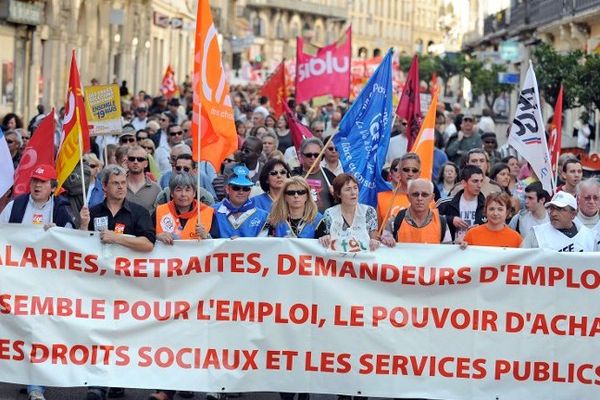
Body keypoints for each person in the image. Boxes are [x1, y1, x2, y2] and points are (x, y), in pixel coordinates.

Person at [316, 173, 380, 252]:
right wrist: (324, 238)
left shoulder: (369, 211)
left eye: (355, 188)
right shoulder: (329, 213)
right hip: (338, 261)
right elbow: (326, 240)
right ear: (338, 194)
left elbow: (375, 240)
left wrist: (374, 241)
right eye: (348, 189)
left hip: (363, 261)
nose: (353, 192)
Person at [153, 173, 220, 245]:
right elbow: (146, 238)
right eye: (178, 190)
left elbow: (219, 245)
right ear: (172, 193)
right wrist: (157, 237)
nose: (183, 194)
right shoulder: (159, 212)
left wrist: (206, 236)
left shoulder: (208, 213)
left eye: (187, 190)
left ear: (194, 193)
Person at [0, 164, 75, 228]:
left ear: (53, 188)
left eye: (43, 181)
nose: (37, 185)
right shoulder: (15, 205)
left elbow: (69, 238)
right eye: (35, 180)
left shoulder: (60, 209)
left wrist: (57, 232)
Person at [381, 178, 451, 245]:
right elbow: (383, 250)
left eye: (425, 195)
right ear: (408, 197)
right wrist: (385, 241)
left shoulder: (442, 223)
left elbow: (448, 253)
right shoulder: (394, 222)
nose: (420, 198)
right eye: (415, 194)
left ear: (432, 197)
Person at [521, 191, 597, 251]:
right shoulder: (536, 234)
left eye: (560, 209)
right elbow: (523, 261)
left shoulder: (589, 237)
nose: (553, 213)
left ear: (573, 214)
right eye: (552, 208)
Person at [212, 165, 269, 238]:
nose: (241, 192)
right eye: (236, 188)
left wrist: (241, 243)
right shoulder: (212, 212)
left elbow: (263, 244)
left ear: (250, 191)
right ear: (227, 189)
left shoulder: (263, 217)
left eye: (246, 188)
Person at [437, 165, 486, 242]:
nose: (479, 185)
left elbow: (496, 225)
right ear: (464, 183)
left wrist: (481, 228)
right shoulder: (445, 203)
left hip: (478, 249)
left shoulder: (487, 204)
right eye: (475, 181)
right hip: (452, 250)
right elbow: (431, 219)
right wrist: (450, 219)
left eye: (481, 181)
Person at [291, 138, 335, 213]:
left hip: (325, 221)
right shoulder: (293, 176)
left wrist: (336, 195)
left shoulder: (330, 177)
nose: (313, 158)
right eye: (309, 155)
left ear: (321, 156)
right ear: (301, 155)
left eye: (316, 155)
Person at [377, 153, 422, 227]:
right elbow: (376, 231)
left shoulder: (427, 199)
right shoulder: (381, 198)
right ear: (399, 172)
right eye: (406, 170)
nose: (410, 174)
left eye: (414, 170)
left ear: (419, 173)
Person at [124, 146, 161, 213]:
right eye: (132, 159)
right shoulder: (118, 186)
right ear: (127, 162)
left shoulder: (156, 189)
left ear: (146, 163)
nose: (135, 162)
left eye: (140, 159)